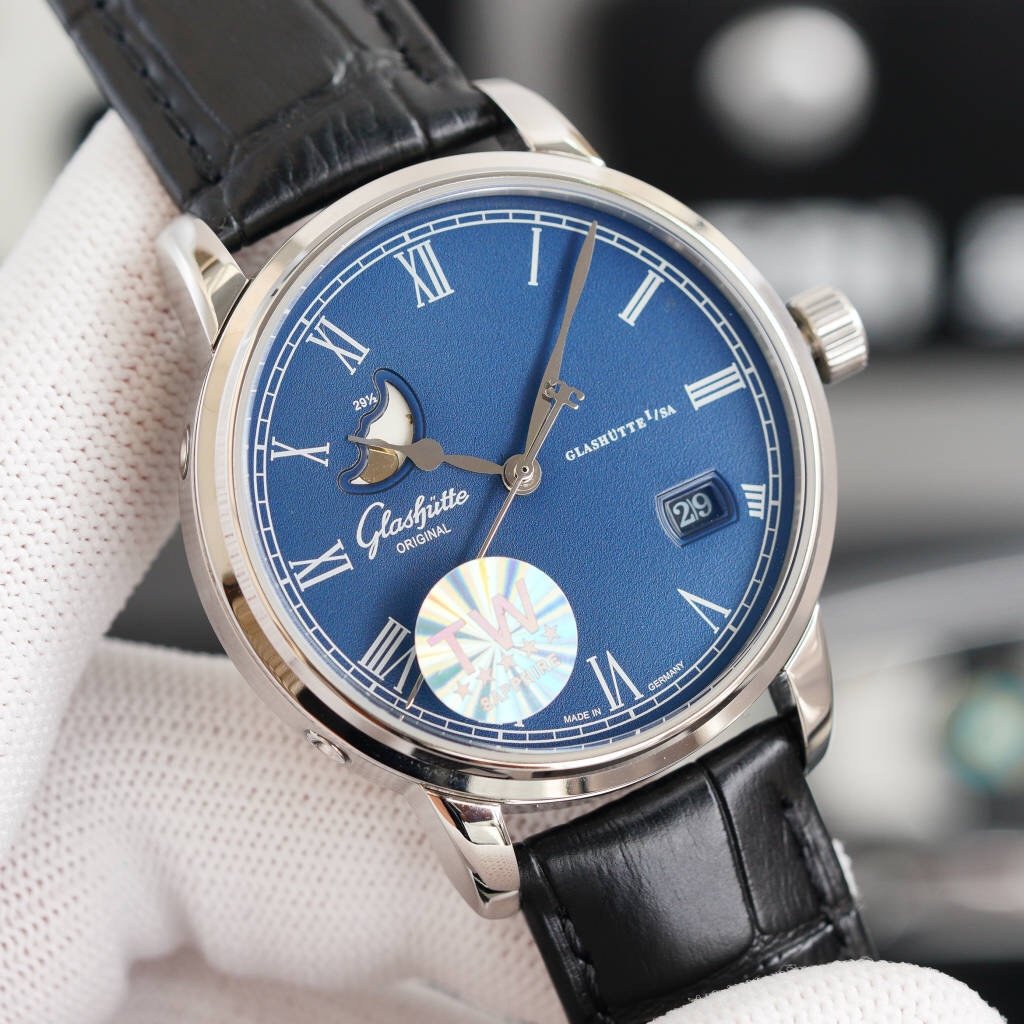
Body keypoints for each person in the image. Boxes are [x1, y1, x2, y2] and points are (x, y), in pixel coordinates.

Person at [0, 112, 1002, 1024]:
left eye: (516, 469)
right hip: (504, 755)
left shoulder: (545, 168)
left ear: (805, 342)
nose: (521, 475)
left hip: (729, 674)